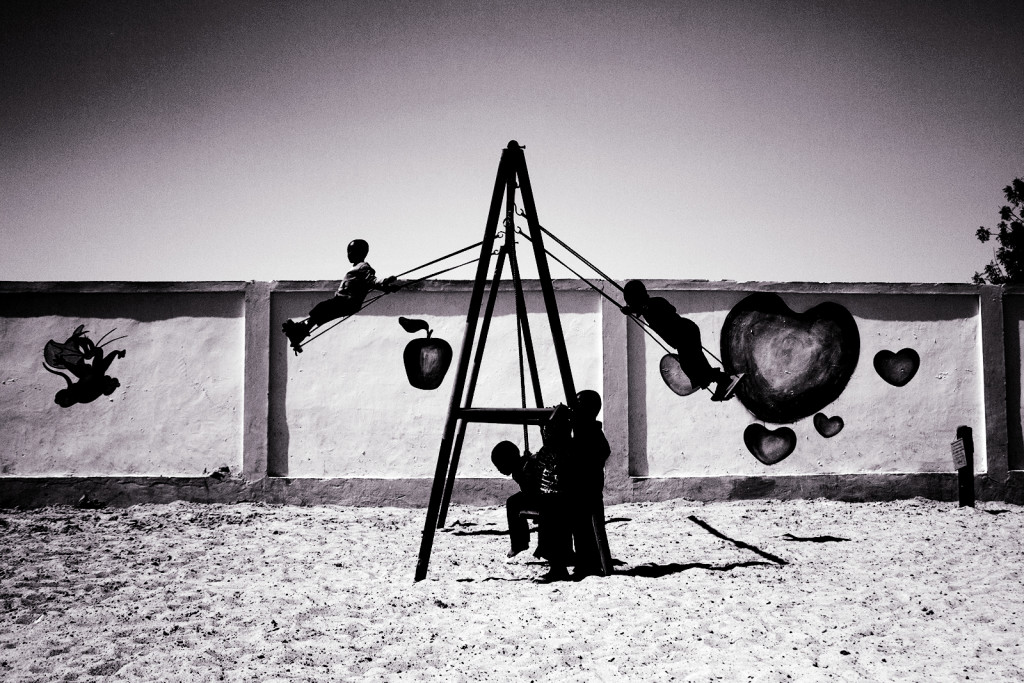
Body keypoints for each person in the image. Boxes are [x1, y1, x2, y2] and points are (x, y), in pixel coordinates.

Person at [620, 279, 743, 401]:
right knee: (696, 365)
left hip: (685, 334)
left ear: (637, 298)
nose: (631, 304)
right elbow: (640, 309)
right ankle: (723, 380)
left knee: (691, 366)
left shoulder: (654, 304)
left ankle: (724, 380)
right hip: (684, 335)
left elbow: (660, 309)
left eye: (631, 301)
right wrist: (631, 309)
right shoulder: (648, 306)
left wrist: (636, 309)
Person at [282, 239, 396, 354]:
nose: (348, 254)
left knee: (321, 309)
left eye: (351, 251)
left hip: (345, 302)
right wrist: (388, 288)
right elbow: (371, 284)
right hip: (345, 302)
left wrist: (385, 281)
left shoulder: (362, 267)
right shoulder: (358, 267)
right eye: (348, 251)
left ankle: (299, 332)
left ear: (360, 252)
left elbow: (372, 281)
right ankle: (300, 332)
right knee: (321, 313)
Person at [564, 390, 613, 578]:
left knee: (586, 527)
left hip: (588, 488)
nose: (573, 410)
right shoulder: (585, 430)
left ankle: (590, 563)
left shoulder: (589, 432)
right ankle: (586, 561)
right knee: (581, 526)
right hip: (585, 486)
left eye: (578, 406)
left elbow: (602, 452)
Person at [490, 440, 542, 558]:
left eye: (500, 465)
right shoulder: (521, 466)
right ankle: (519, 543)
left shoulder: (524, 467)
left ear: (510, 460)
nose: (499, 470)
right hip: (534, 495)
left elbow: (533, 487)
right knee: (514, 502)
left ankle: (519, 543)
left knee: (513, 503)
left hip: (540, 497)